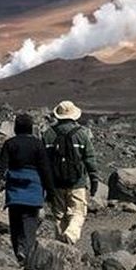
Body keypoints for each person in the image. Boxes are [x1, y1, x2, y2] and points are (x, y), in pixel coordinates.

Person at [0, 113, 55, 263]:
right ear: (31, 128)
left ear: (16, 128)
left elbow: (1, 166)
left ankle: (19, 250)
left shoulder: (10, 144)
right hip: (33, 189)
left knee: (15, 223)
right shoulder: (38, 144)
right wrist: (51, 192)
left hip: (15, 190)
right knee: (29, 224)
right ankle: (27, 253)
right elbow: (45, 169)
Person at [43, 100, 99, 245]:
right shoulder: (82, 134)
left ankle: (60, 245)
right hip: (77, 182)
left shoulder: (48, 134)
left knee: (59, 215)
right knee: (78, 212)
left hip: (56, 182)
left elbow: (44, 161)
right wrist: (94, 180)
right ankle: (71, 234)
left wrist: (45, 184)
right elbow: (90, 158)